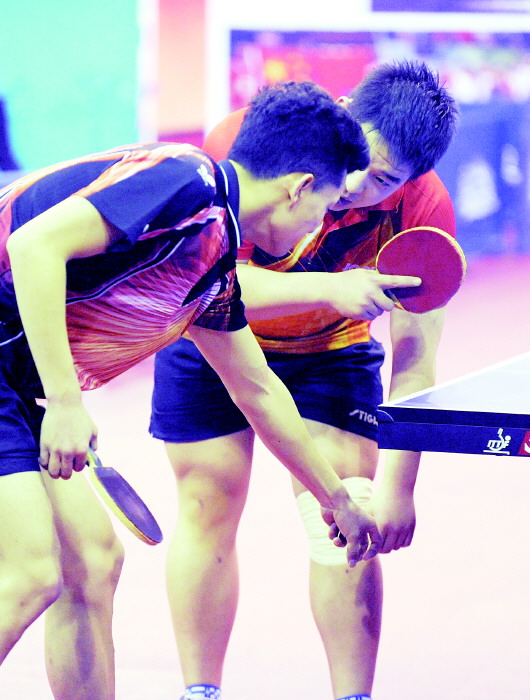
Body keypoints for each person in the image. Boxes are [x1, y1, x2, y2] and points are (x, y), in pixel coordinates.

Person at [0, 80, 422, 699]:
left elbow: (258, 390)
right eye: (326, 205)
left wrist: (336, 499)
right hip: (17, 382)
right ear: (299, 187)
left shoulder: (213, 265)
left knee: (91, 563)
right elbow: (33, 244)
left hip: (15, 384)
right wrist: (66, 402)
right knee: (31, 574)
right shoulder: (185, 180)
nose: (320, 226)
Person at [150, 61, 458, 700]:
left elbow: (416, 358)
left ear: (412, 181)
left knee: (348, 514)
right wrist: (329, 288)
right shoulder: (251, 142)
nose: (356, 188)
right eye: (360, 162)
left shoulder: (425, 208)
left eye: (384, 180)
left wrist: (401, 485)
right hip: (212, 335)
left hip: (328, 353)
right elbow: (211, 277)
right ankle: (199, 692)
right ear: (345, 111)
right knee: (207, 502)